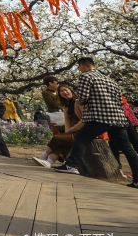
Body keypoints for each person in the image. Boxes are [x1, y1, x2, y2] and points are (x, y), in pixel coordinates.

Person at [54, 57, 138, 188]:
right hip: (118, 117)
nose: (79, 69)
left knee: (81, 138)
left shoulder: (86, 77)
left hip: (99, 117)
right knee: (127, 148)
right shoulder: (110, 79)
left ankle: (71, 165)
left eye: (79, 67)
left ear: (82, 66)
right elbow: (118, 100)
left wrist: (80, 103)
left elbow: (82, 98)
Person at [32, 82, 84, 168]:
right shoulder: (66, 105)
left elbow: (84, 119)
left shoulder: (79, 102)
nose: (64, 92)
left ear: (70, 90)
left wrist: (72, 130)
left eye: (65, 90)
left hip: (83, 130)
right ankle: (49, 162)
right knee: (62, 140)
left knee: (57, 138)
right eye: (61, 91)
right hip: (74, 130)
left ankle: (45, 156)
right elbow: (67, 120)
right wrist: (67, 132)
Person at [109, 94, 138, 178]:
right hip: (121, 122)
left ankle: (134, 174)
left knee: (130, 145)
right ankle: (121, 170)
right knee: (117, 146)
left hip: (124, 122)